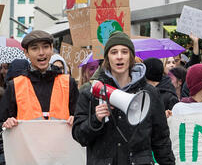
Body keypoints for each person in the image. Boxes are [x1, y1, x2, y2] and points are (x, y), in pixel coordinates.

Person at [72, 31, 174, 165]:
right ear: (107, 58)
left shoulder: (149, 93)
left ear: (131, 56)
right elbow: (80, 136)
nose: (119, 57)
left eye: (124, 52)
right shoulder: (90, 92)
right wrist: (96, 119)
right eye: (114, 52)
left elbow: (161, 140)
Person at [0, 31, 78, 128]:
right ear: (26, 53)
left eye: (45, 47)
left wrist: (76, 120)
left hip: (60, 142)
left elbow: (81, 121)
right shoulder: (15, 85)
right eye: (34, 48)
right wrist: (6, 123)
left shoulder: (68, 83)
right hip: (27, 143)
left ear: (52, 49)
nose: (41, 53)